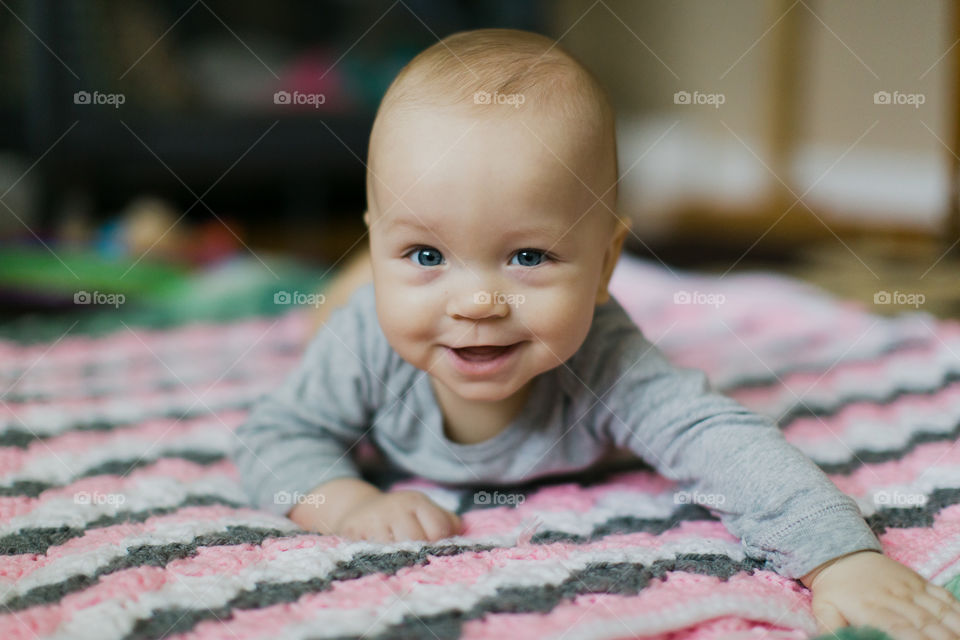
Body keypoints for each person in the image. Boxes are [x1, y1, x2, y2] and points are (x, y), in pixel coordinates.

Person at [231, 28, 960, 638]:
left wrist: (839, 559)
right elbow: (276, 438)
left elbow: (726, 443)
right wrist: (349, 503)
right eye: (425, 253)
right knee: (329, 316)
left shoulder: (608, 361)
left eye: (528, 256)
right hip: (357, 313)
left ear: (608, 262)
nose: (478, 302)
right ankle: (360, 274)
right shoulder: (366, 343)